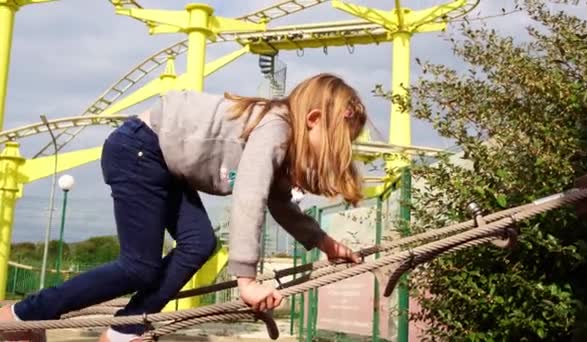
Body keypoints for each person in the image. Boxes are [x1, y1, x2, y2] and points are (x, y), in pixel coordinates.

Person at [0, 73, 367, 342]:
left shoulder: (282, 140)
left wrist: (325, 243)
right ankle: (20, 315)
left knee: (200, 243)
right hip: (140, 149)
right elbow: (250, 196)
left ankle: (122, 330)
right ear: (313, 120)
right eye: (336, 141)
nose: (332, 154)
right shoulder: (276, 128)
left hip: (164, 162)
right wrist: (248, 281)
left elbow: (279, 203)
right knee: (138, 267)